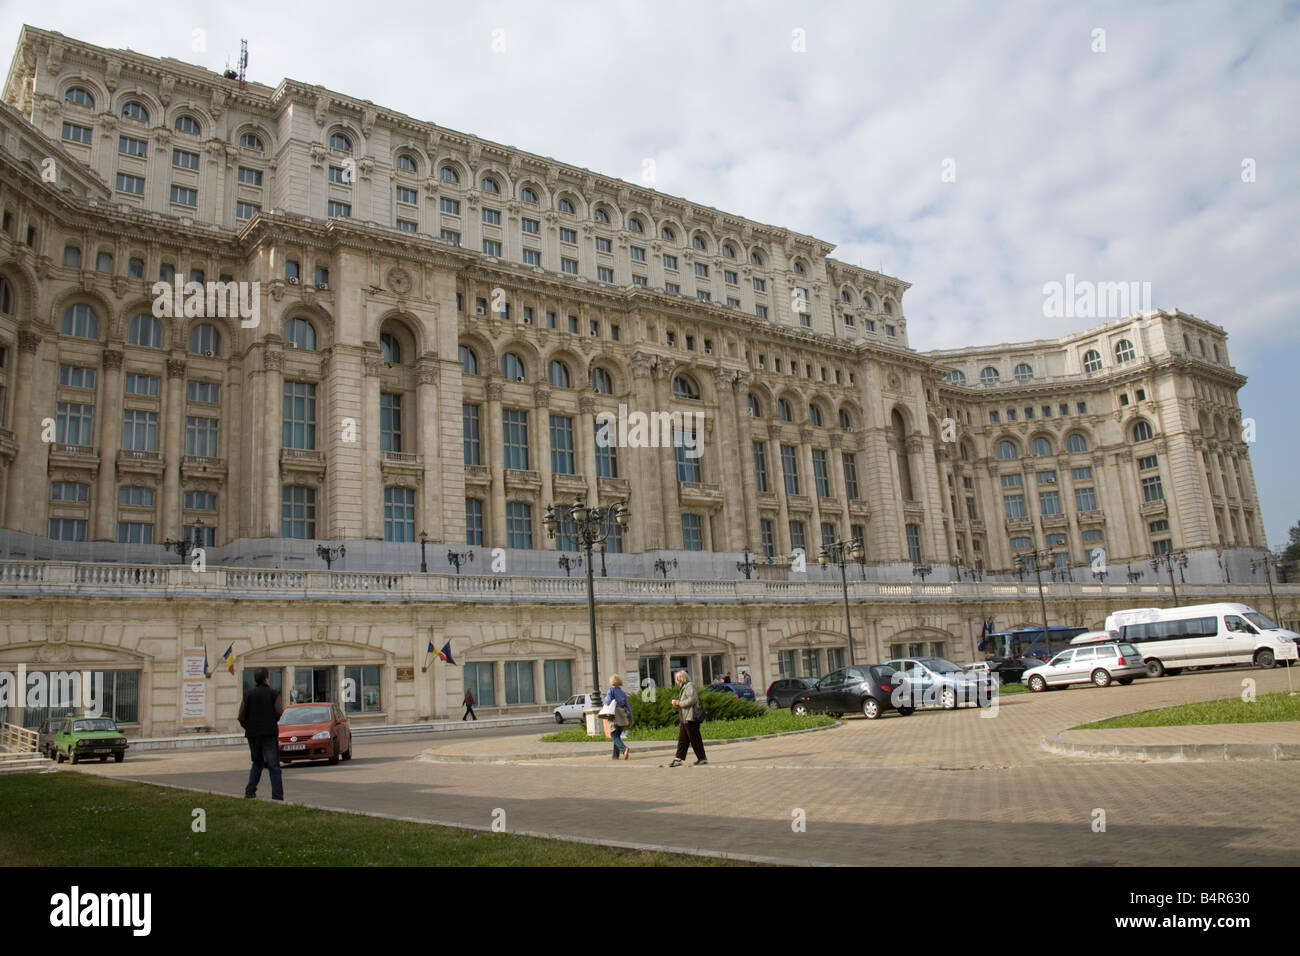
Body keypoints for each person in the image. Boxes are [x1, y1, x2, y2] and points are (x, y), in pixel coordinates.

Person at [238, 668, 284, 801]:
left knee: (256, 763)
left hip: (253, 734)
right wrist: (272, 721)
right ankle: (277, 796)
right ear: (266, 678)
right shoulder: (273, 693)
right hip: (269, 733)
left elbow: (241, 716)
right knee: (273, 765)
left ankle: (250, 790)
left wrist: (249, 726)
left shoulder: (248, 694)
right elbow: (279, 711)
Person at [669, 670, 707, 767]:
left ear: (680, 679)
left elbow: (692, 699)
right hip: (684, 718)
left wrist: (679, 703)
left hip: (690, 718)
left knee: (695, 739)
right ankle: (678, 759)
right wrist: (678, 702)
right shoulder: (684, 687)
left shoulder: (689, 685)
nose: (676, 682)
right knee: (683, 740)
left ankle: (702, 758)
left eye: (676, 679)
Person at [604, 674, 634, 760]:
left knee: (613, 735)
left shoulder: (611, 691)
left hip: (614, 715)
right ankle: (615, 756)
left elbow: (608, 703)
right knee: (617, 735)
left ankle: (624, 749)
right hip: (623, 716)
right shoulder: (623, 693)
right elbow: (628, 706)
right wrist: (631, 719)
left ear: (612, 682)